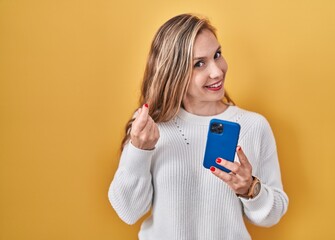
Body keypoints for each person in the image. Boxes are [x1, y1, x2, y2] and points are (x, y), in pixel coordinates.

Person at [108, 13, 288, 240]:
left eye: (217, 55)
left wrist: (250, 189)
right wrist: (139, 150)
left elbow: (274, 213)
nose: (217, 71)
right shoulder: (149, 129)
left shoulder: (253, 126)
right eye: (199, 64)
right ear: (173, 73)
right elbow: (129, 211)